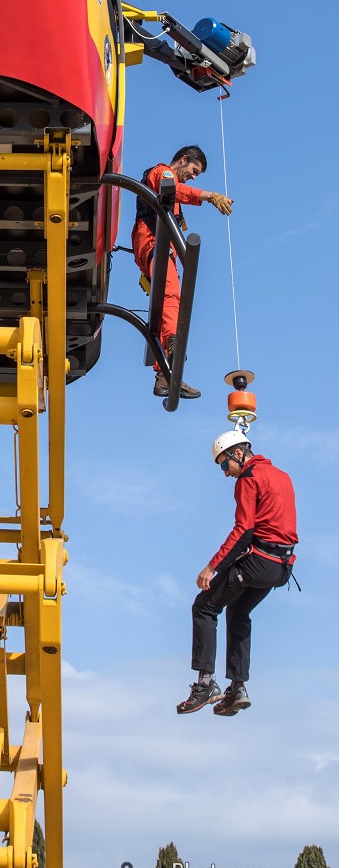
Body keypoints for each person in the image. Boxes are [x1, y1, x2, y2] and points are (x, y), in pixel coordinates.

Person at [177, 430, 298, 716]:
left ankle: (205, 684)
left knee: (204, 607)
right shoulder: (283, 476)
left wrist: (212, 567)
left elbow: (244, 530)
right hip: (282, 566)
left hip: (259, 562)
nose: (225, 473)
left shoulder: (249, 477)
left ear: (238, 454)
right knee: (238, 613)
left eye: (223, 464)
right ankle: (238, 687)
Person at [131, 146, 233, 398]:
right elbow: (173, 190)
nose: (194, 177)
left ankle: (163, 374)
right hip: (154, 241)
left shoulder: (170, 186)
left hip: (158, 245)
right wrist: (208, 196)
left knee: (168, 303)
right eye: (194, 170)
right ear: (184, 160)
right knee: (170, 297)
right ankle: (173, 344)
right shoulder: (163, 172)